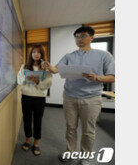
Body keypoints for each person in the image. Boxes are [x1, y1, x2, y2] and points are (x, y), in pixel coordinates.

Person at [43, 26, 115, 165]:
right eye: (77, 36)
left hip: (91, 98)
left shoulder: (104, 55)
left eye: (83, 36)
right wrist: (49, 67)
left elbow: (112, 77)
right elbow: (56, 70)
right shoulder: (69, 56)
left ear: (92, 37)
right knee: (70, 127)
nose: (79, 39)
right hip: (69, 97)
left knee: (88, 130)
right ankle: (70, 152)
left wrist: (97, 78)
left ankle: (85, 157)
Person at [17, 44, 52, 156]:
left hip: (39, 97)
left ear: (42, 54)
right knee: (27, 119)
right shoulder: (25, 66)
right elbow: (19, 79)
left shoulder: (45, 68)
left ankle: (36, 143)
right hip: (26, 96)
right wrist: (25, 79)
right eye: (34, 52)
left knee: (38, 120)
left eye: (38, 52)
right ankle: (27, 140)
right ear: (31, 54)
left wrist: (38, 82)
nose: (36, 54)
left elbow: (48, 83)